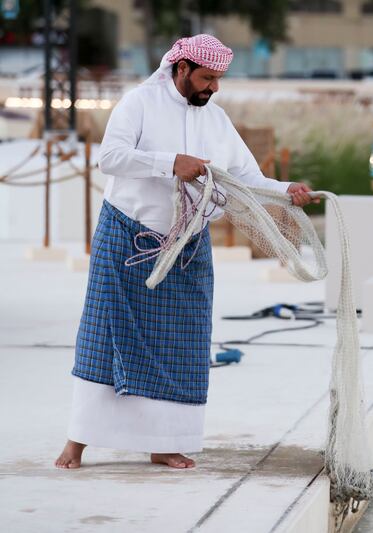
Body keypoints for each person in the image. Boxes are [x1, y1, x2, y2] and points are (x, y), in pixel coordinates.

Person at [55, 34, 315, 469]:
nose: (213, 88)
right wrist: (170, 162)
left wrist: (286, 191)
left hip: (189, 245)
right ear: (181, 69)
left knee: (184, 344)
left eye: (218, 80)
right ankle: (77, 442)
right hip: (126, 236)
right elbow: (111, 158)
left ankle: (166, 442)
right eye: (207, 78)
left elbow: (246, 178)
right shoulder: (138, 103)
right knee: (104, 339)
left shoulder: (216, 119)